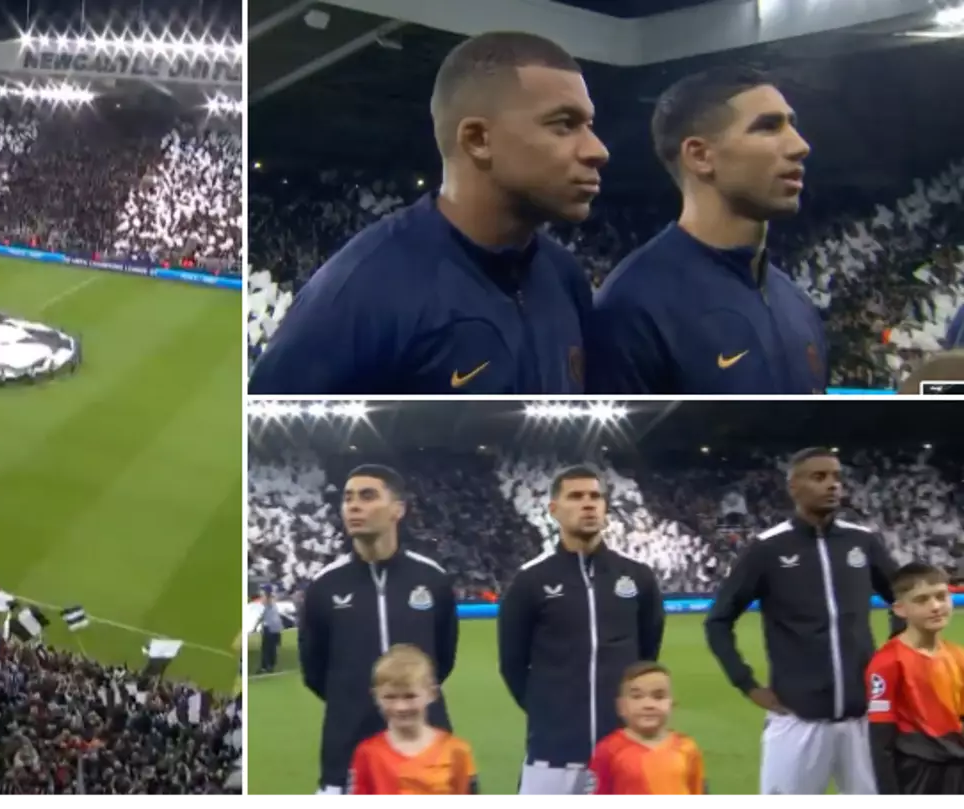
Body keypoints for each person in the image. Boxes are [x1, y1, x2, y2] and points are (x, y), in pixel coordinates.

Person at [248, 31, 605, 396]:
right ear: (478, 140)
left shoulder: (564, 275)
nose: (598, 150)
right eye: (564, 124)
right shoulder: (360, 295)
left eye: (590, 126)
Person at [589, 67, 826, 394]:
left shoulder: (795, 301)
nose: (800, 146)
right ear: (700, 156)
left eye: (792, 125)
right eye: (769, 127)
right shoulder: (631, 307)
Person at [704, 446, 901, 799]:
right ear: (794, 486)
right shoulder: (767, 549)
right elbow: (718, 620)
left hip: (863, 719)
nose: (832, 485)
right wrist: (746, 683)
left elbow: (903, 600)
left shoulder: (862, 542)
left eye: (837, 477)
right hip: (797, 719)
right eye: (819, 477)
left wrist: (892, 660)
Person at [497, 464, 665, 798]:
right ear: (554, 510)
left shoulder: (638, 577)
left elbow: (647, 654)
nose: (588, 504)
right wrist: (548, 709)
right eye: (576, 496)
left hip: (622, 750)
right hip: (552, 754)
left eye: (595, 496)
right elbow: (512, 664)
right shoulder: (530, 581)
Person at [297, 464, 459, 799]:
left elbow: (443, 660)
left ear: (398, 509)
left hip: (427, 754)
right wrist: (356, 702)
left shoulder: (432, 580)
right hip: (348, 755)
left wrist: (406, 702)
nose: (354, 506)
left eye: (368, 496)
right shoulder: (324, 587)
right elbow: (315, 672)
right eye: (348, 498)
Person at [865, 562, 964, 800]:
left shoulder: (957, 655)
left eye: (941, 597)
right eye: (921, 600)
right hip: (918, 776)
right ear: (900, 609)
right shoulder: (887, 662)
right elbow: (881, 740)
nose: (935, 607)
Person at [347, 644, 478, 798]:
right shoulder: (367, 754)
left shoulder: (456, 752)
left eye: (410, 696)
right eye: (390, 697)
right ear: (376, 696)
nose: (400, 707)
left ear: (432, 693)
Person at [587, 661, 706, 798]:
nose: (648, 705)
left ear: (672, 704)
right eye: (637, 697)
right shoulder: (608, 750)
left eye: (658, 696)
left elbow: (698, 792)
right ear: (621, 706)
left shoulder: (687, 747)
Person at [254, 587, 285, 675]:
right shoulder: (272, 601)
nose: (261, 595)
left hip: (270, 627)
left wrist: (254, 627)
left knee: (267, 647)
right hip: (276, 627)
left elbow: (261, 616)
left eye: (262, 593)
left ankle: (266, 666)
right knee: (272, 647)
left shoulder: (267, 602)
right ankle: (270, 665)